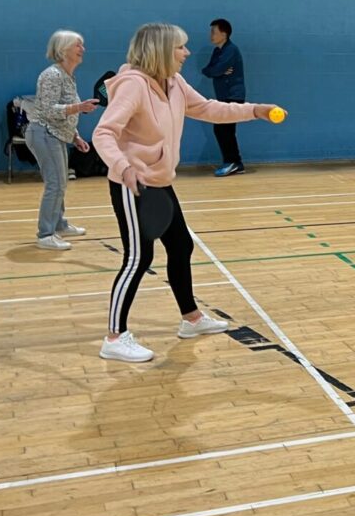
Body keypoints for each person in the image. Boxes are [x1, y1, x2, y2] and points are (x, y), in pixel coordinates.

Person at [93, 23, 277, 362]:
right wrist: (125, 168)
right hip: (133, 183)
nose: (187, 53)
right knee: (138, 258)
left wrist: (254, 110)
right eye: (180, 47)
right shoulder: (132, 85)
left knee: (180, 246)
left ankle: (191, 318)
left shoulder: (174, 83)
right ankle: (114, 337)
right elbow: (103, 133)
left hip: (160, 180)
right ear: (161, 50)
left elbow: (208, 108)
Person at [26, 30, 98, 250]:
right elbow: (48, 110)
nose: (82, 49)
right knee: (55, 183)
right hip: (43, 133)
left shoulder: (68, 75)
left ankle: (59, 224)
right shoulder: (52, 75)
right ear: (63, 49)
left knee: (61, 182)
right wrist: (79, 107)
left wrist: (75, 136)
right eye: (78, 45)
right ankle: (45, 234)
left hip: (57, 134)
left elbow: (63, 111)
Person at [201, 18, 246, 177]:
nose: (211, 35)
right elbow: (207, 70)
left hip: (233, 96)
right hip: (223, 97)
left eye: (214, 31)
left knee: (223, 129)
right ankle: (235, 163)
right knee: (223, 130)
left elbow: (216, 70)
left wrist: (217, 71)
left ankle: (234, 162)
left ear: (224, 33)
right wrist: (216, 71)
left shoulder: (231, 50)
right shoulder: (217, 51)